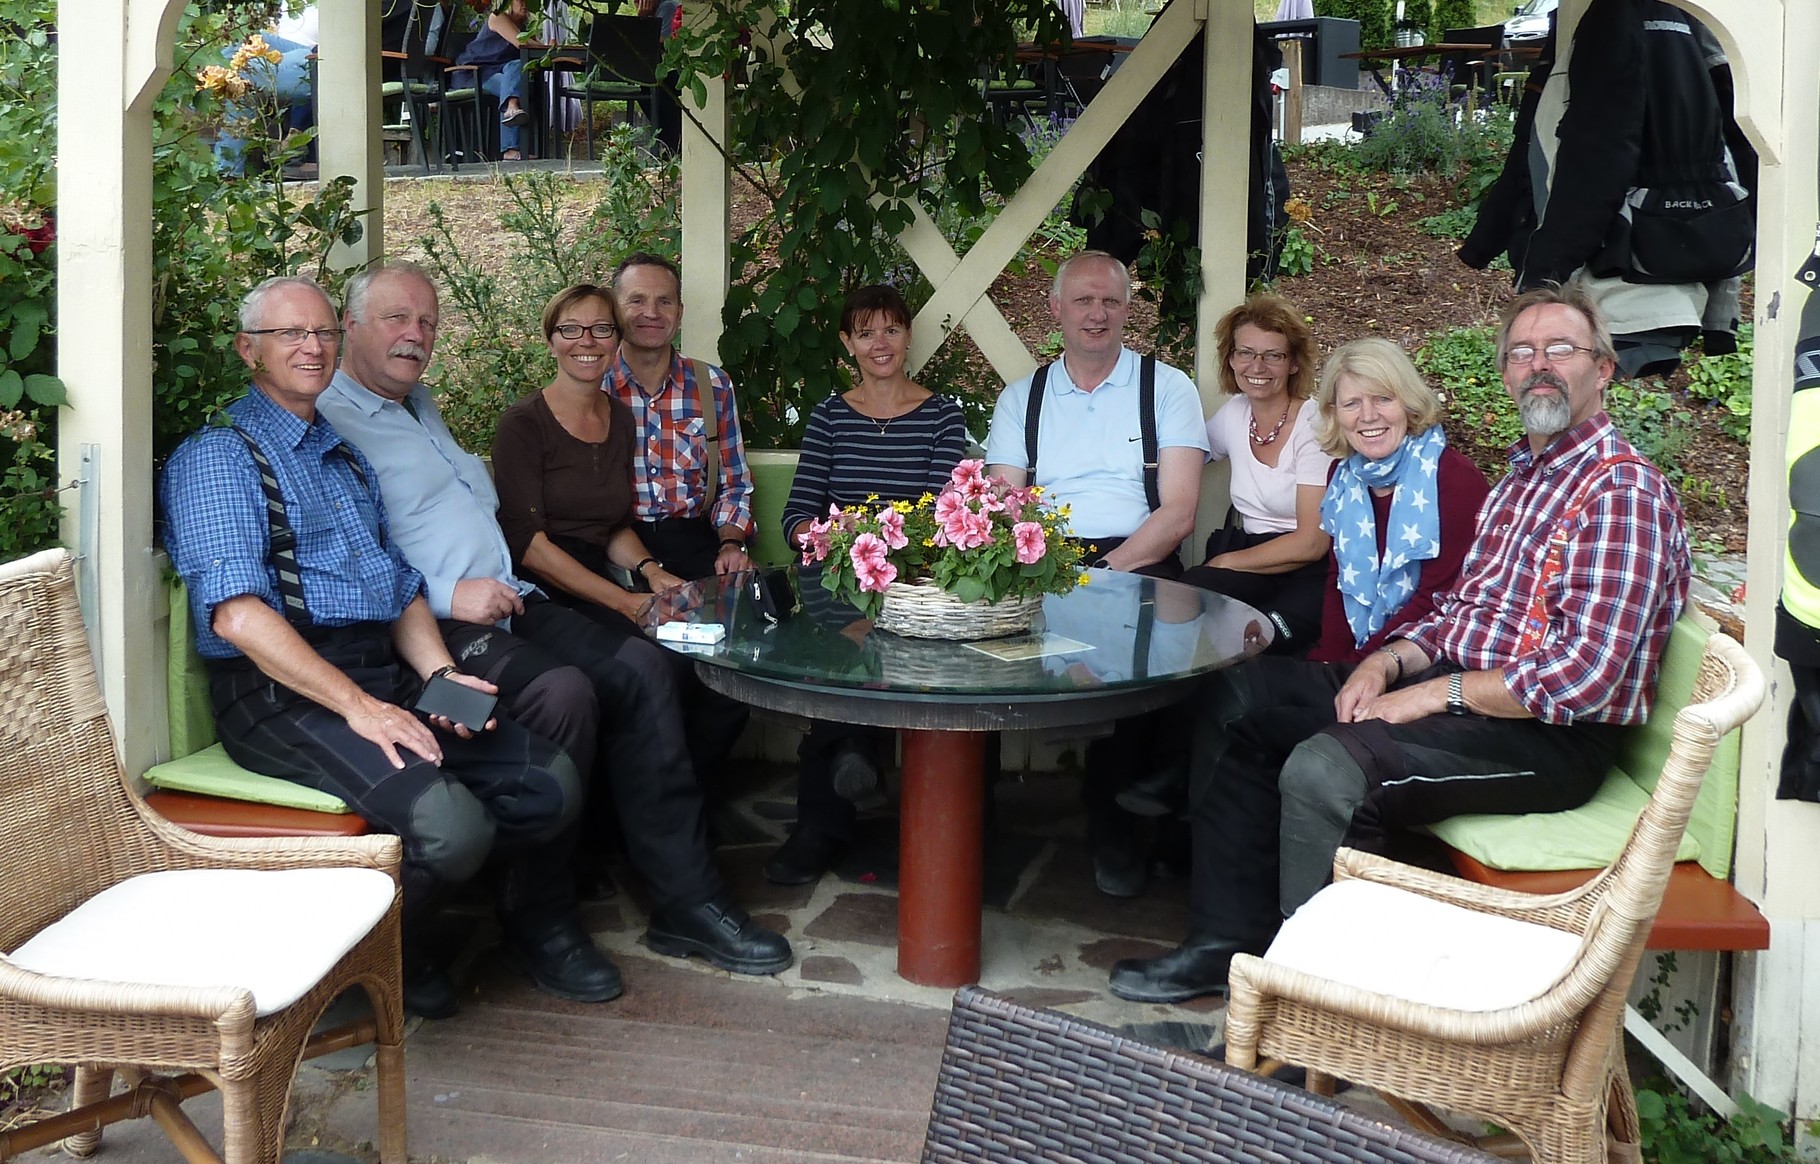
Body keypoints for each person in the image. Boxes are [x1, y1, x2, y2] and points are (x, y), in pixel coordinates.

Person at [1109, 284, 1692, 1004]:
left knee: (1329, 768)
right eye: (1522, 353)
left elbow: (1583, 681)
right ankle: (1225, 941)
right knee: (1236, 693)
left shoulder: (1620, 492)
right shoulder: (1523, 480)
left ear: (1603, 369)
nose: (1539, 365)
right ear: (1507, 373)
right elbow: (1457, 610)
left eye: (1560, 349)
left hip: (1546, 735)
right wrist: (1387, 663)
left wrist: (1429, 693)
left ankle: (1315, 1003)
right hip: (1463, 690)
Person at [316, 261, 792, 980]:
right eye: (396, 319)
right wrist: (449, 594)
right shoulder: (330, 420)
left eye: (427, 322)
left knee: (649, 665)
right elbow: (350, 552)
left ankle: (683, 901)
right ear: (348, 326)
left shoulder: (420, 406)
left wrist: (647, 577)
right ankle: (539, 916)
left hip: (514, 601)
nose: (415, 336)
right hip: (434, 628)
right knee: (566, 693)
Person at [159, 275, 618, 1020]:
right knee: (451, 826)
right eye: (289, 334)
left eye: (321, 334)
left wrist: (441, 676)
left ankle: (408, 938)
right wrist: (362, 709)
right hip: (282, 693)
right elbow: (239, 618)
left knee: (551, 783)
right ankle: (361, 969)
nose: (312, 347)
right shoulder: (220, 458)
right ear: (250, 350)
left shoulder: (343, 457)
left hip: (378, 670)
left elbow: (400, 585)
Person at [984, 249, 1209, 899]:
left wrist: (1103, 574)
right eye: (1082, 300)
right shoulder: (1021, 399)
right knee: (977, 650)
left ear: (1126, 309)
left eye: (1110, 301)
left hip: (1137, 550)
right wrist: (1059, 577)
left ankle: (1116, 819)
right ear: (1055, 310)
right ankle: (975, 817)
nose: (1096, 313)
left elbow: (1180, 512)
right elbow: (1004, 509)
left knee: (1160, 647)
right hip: (1042, 557)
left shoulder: (1166, 389)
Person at [489, 283, 748, 818]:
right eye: (572, 329)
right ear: (551, 338)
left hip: (666, 546)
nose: (587, 341)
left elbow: (618, 520)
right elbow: (533, 543)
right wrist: (629, 597)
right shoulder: (541, 413)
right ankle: (640, 812)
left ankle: (676, 801)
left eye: (599, 330)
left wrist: (674, 563)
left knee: (724, 657)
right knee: (651, 665)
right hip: (559, 580)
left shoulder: (668, 399)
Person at [764, 285, 970, 885]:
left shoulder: (942, 414)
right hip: (835, 576)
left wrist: (881, 553)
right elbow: (797, 516)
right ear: (847, 343)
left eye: (891, 330)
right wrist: (833, 542)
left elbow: (938, 518)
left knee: (870, 641)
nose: (880, 343)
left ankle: (834, 797)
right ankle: (846, 775)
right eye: (865, 332)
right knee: (847, 636)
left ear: (908, 337)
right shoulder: (830, 415)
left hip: (912, 579)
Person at [1182, 293, 1334, 657]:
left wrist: (1226, 561)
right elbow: (1184, 456)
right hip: (1252, 559)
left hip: (1311, 570)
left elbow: (1311, 542)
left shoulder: (1313, 427)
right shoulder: (1235, 414)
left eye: (1273, 355)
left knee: (1258, 638)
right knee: (1187, 595)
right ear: (1231, 359)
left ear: (1294, 364)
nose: (1257, 366)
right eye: (1246, 353)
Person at [604, 252, 759, 581]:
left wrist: (731, 545)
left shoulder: (713, 385)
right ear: (614, 310)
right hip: (615, 552)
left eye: (665, 302)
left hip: (697, 545)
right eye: (637, 300)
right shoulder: (597, 389)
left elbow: (734, 484)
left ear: (680, 312)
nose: (651, 313)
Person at [454, 0, 532, 161]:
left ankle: (512, 108)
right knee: (510, 83)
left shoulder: (523, 27)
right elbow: (523, 44)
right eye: (520, 0)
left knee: (516, 66)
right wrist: (547, 48)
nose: (525, 4)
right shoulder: (497, 17)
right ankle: (510, 149)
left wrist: (546, 46)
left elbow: (531, 46)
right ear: (509, 3)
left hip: (497, 72)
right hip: (474, 73)